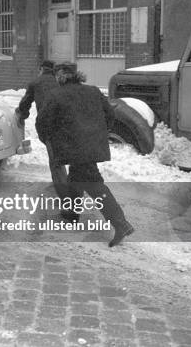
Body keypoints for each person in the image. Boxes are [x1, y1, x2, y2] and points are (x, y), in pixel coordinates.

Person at [35, 62, 134, 247]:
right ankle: (71, 215)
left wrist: (49, 138)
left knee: (94, 184)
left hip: (72, 147)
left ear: (60, 76)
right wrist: (99, 132)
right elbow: (110, 114)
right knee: (76, 178)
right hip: (91, 145)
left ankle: (121, 224)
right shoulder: (93, 91)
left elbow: (42, 122)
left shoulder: (55, 95)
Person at [15, 60, 68, 193]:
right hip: (66, 123)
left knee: (55, 160)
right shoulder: (60, 82)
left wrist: (21, 115)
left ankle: (64, 191)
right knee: (61, 156)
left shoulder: (35, 83)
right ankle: (63, 182)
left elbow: (25, 104)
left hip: (49, 124)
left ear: (41, 69)